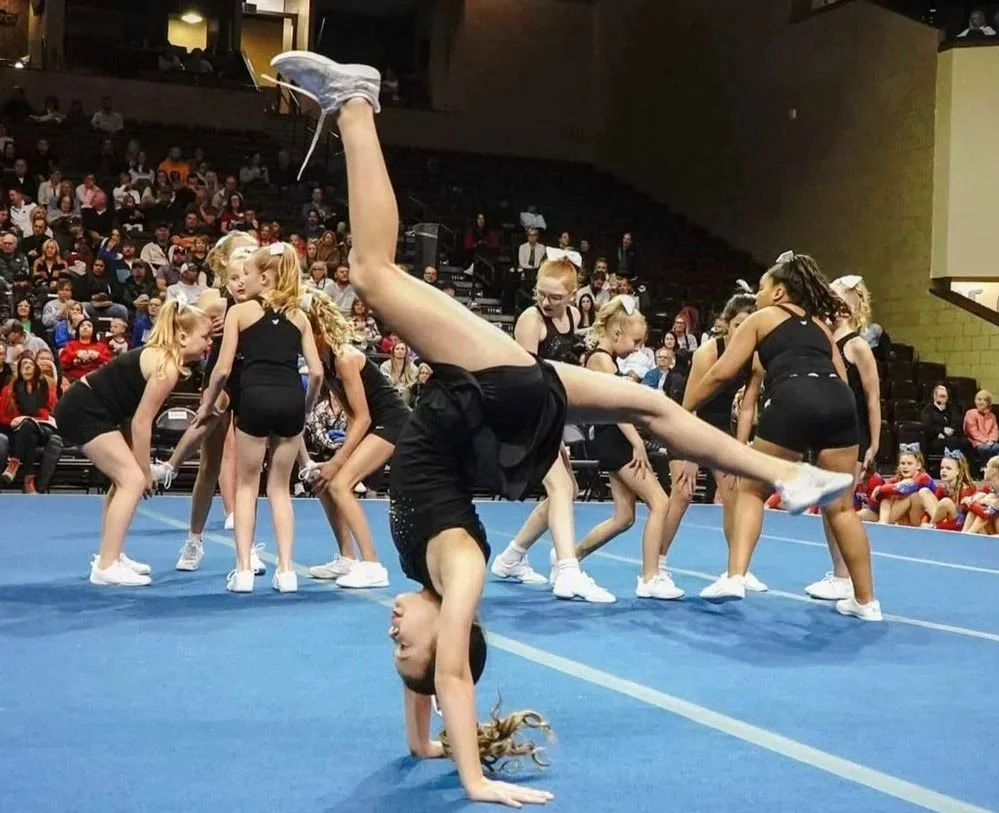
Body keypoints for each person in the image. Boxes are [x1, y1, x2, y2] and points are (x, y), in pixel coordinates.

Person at [269, 50, 854, 806]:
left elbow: (430, 685)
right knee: (374, 272)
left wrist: (429, 739)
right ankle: (355, 103)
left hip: (494, 403)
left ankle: (787, 476)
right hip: (487, 397)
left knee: (653, 409)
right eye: (404, 641)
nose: (392, 631)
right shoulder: (459, 573)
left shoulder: (429, 577)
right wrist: (473, 778)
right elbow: (451, 667)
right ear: (449, 626)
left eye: (396, 649)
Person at [685, 251, 881, 621]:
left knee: (752, 489)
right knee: (840, 506)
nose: (757, 295)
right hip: (839, 404)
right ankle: (867, 601)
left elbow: (721, 374)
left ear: (778, 293)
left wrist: (680, 410)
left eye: (761, 288)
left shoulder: (763, 318)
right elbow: (840, 379)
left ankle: (735, 576)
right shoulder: (822, 328)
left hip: (793, 395)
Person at [52, 296, 213, 586]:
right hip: (84, 411)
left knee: (122, 480)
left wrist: (138, 465)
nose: (208, 343)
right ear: (183, 336)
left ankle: (110, 553)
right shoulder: (167, 367)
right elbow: (142, 422)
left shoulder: (161, 358)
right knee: (132, 480)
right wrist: (145, 470)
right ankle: (106, 565)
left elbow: (130, 414)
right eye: (205, 337)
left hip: (93, 410)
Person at [197, 242, 323, 593]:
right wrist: (307, 406)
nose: (243, 280)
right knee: (280, 489)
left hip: (253, 397)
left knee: (246, 486)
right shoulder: (299, 315)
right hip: (290, 400)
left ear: (265, 278)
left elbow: (222, 370)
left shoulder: (240, 312)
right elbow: (315, 373)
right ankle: (286, 572)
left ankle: (242, 572)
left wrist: (208, 406)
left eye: (248, 273)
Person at [491, 248, 614, 602]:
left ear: (573, 297)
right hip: (526, 412)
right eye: (541, 294)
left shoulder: (574, 317)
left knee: (567, 490)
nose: (546, 301)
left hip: (553, 412)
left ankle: (511, 558)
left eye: (556, 297)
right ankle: (567, 570)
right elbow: (525, 377)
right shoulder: (531, 321)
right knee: (560, 488)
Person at [151, 232, 268, 576]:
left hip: (255, 380)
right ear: (226, 261)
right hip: (221, 376)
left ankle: (247, 547)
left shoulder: (264, 296)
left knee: (250, 469)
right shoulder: (214, 298)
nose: (251, 254)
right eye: (244, 250)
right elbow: (188, 331)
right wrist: (209, 331)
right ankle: (194, 538)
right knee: (210, 464)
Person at [563, 295, 683, 600]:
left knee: (624, 517)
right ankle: (650, 577)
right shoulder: (600, 359)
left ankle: (569, 560)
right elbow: (616, 409)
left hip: (611, 437)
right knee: (660, 502)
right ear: (617, 333)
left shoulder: (607, 359)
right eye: (636, 340)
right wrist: (637, 443)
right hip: (614, 438)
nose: (638, 347)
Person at [305, 288, 408, 588]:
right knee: (322, 482)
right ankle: (347, 558)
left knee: (339, 483)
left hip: (393, 423)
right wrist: (339, 454)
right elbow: (353, 415)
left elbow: (364, 416)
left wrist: (340, 461)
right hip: (374, 424)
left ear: (317, 330)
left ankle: (373, 565)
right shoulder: (324, 362)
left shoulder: (345, 357)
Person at [804, 275, 881, 600]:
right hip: (826, 436)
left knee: (842, 507)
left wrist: (874, 444)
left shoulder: (857, 346)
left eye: (835, 297)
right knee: (828, 505)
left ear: (849, 306)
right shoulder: (824, 343)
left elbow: (872, 397)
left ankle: (846, 577)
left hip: (853, 436)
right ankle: (840, 573)